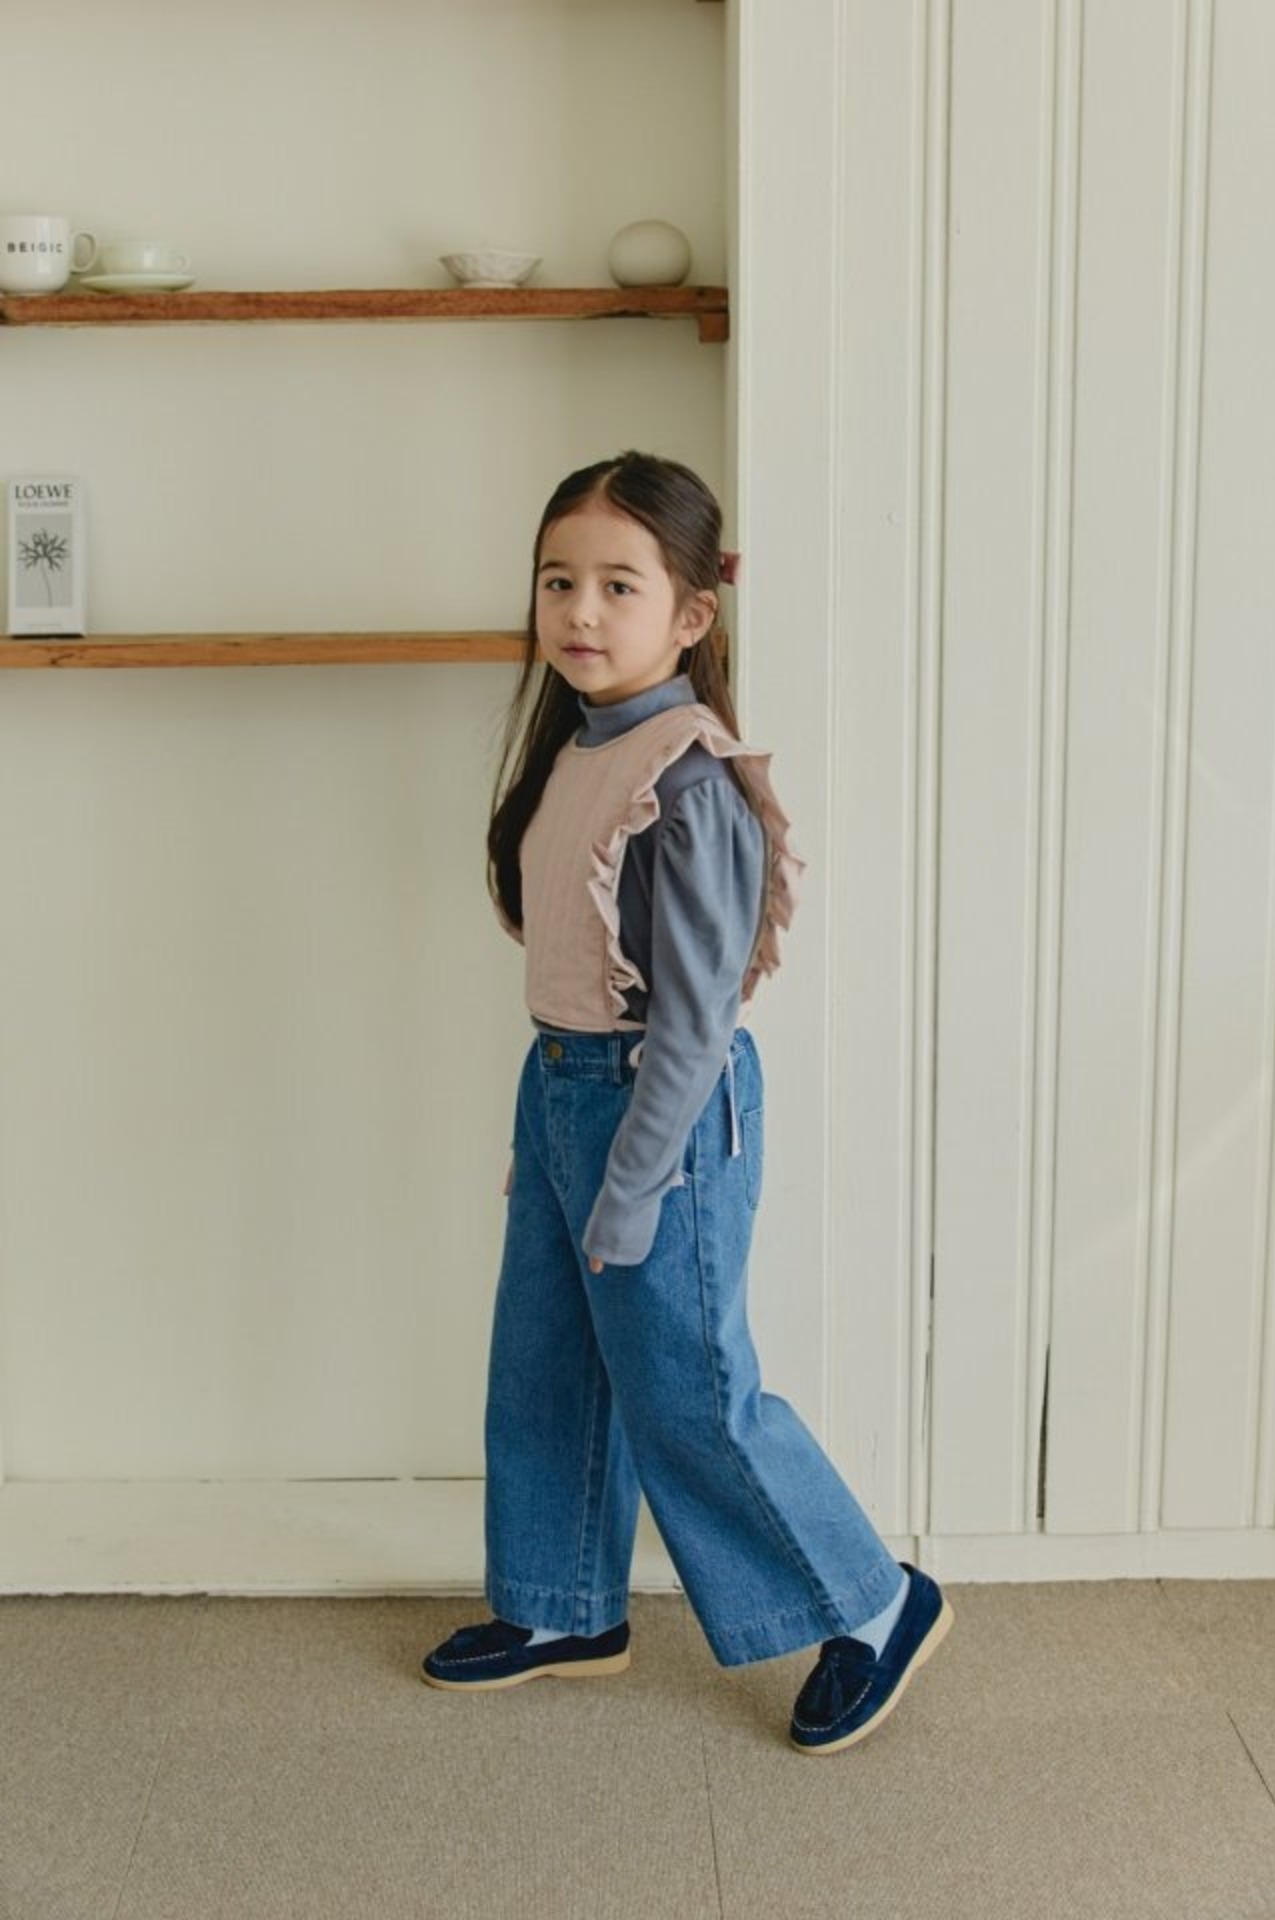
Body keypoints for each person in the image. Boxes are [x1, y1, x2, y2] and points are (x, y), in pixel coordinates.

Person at [421, 450, 953, 1753]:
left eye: (620, 584)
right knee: (544, 1361)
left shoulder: (691, 778)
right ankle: (561, 1607)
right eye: (559, 581)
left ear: (691, 612)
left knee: (690, 1387)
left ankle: (872, 1602)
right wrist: (549, 1136)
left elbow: (695, 1023)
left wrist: (634, 1178)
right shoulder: (576, 749)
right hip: (565, 1091)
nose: (581, 611)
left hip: (660, 1108)